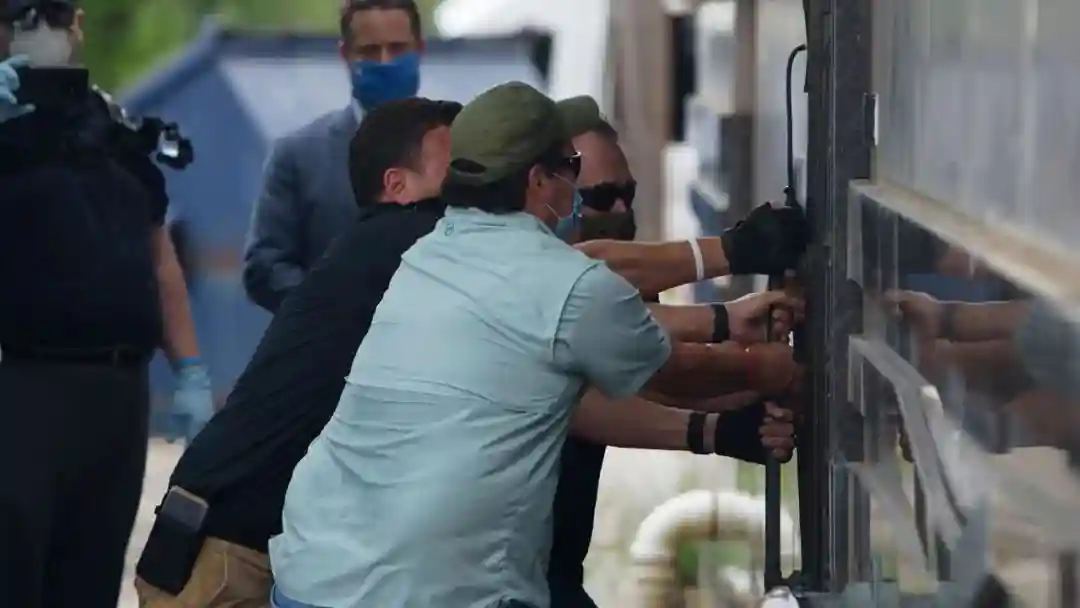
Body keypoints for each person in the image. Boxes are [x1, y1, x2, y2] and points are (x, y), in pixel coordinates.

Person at [139, 93, 804, 608]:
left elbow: (578, 356)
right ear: (398, 186)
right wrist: (731, 272)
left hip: (295, 564)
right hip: (226, 561)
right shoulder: (423, 246)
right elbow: (592, 288)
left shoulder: (437, 260)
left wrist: (718, 359)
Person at [136, 97, 462, 608]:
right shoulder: (405, 240)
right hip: (223, 556)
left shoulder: (369, 251)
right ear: (397, 186)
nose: (470, 189)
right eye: (455, 170)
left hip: (222, 538)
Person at [548, 96, 801, 607]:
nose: (621, 211)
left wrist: (750, 410)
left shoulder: (606, 290)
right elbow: (659, 361)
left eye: (627, 194)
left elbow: (662, 379)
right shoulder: (531, 280)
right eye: (601, 197)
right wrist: (735, 267)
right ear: (545, 198)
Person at [0, 1, 211, 606]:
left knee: (91, 575)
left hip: (118, 393)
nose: (44, 30)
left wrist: (191, 371)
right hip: (26, 384)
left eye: (55, 14)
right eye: (24, 17)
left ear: (78, 25)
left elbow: (160, 259)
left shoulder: (113, 130)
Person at [242, 0, 425, 312]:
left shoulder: (462, 153)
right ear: (346, 55)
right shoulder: (299, 157)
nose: (385, 62)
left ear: (419, 49)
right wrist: (334, 307)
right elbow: (264, 268)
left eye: (397, 49)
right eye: (370, 51)